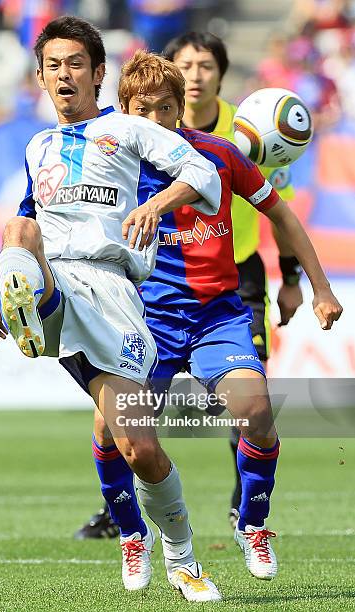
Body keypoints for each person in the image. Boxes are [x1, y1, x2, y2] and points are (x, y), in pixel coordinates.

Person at [0, 15, 224, 602]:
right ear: (39, 77)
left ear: (97, 75)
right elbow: (29, 226)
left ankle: (180, 555)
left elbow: (203, 170)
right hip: (57, 279)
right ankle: (31, 310)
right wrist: (0, 296)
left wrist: (157, 205)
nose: (65, 74)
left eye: (77, 64)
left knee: (138, 448)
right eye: (54, 65)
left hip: (112, 290)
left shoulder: (131, 131)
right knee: (18, 226)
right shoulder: (38, 148)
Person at [77, 49, 342, 583]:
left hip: (216, 317)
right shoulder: (110, 166)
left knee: (258, 415)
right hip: (141, 322)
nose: (158, 121)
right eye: (144, 110)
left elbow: (282, 215)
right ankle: (132, 533)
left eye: (168, 108)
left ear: (183, 108)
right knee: (110, 430)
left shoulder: (218, 155)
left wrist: (319, 287)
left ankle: (253, 523)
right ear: (125, 112)